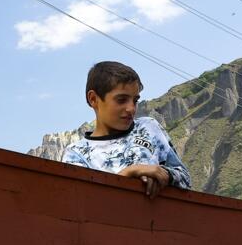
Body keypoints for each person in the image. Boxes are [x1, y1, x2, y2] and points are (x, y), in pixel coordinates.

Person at [62, 61, 191, 197]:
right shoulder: (76, 153)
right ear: (94, 99)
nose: (131, 108)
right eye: (121, 100)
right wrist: (130, 172)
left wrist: (163, 175)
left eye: (135, 100)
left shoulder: (149, 128)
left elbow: (185, 179)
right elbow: (83, 203)